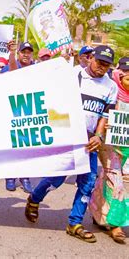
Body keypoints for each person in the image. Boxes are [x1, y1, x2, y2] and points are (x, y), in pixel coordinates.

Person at [25, 45, 118, 243]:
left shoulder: (110, 86)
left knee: (88, 183)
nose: (102, 67)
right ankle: (34, 198)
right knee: (56, 180)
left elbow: (105, 115)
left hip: (90, 141)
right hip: (67, 136)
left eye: (106, 65)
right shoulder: (73, 75)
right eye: (99, 62)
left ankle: (74, 223)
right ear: (91, 58)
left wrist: (99, 136)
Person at [89, 56, 129, 244]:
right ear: (120, 75)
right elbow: (100, 114)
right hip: (108, 143)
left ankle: (98, 213)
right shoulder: (111, 90)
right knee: (116, 179)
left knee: (106, 177)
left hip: (126, 147)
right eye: (127, 76)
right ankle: (116, 223)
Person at [2, 41, 33, 193]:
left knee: (27, 146)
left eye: (29, 52)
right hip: (11, 110)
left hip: (28, 110)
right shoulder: (9, 67)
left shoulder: (37, 69)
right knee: (12, 146)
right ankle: (10, 177)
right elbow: (12, 73)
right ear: (19, 53)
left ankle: (25, 177)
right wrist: (11, 54)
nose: (26, 55)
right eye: (23, 52)